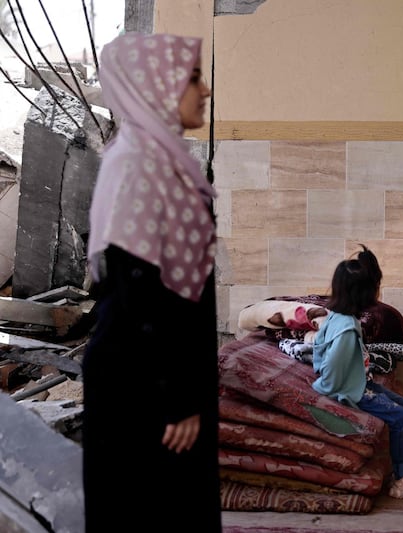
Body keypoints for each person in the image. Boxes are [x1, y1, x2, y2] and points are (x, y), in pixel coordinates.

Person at [82, 33, 221, 532]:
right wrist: (179, 399)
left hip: (163, 382)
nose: (203, 91)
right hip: (144, 391)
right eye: (192, 78)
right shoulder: (139, 166)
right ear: (156, 85)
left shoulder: (165, 164)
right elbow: (140, 298)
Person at [312, 245, 403, 502]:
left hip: (357, 382)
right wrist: (340, 397)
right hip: (349, 391)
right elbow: (332, 373)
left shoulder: (340, 316)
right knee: (399, 416)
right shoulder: (346, 330)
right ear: (366, 293)